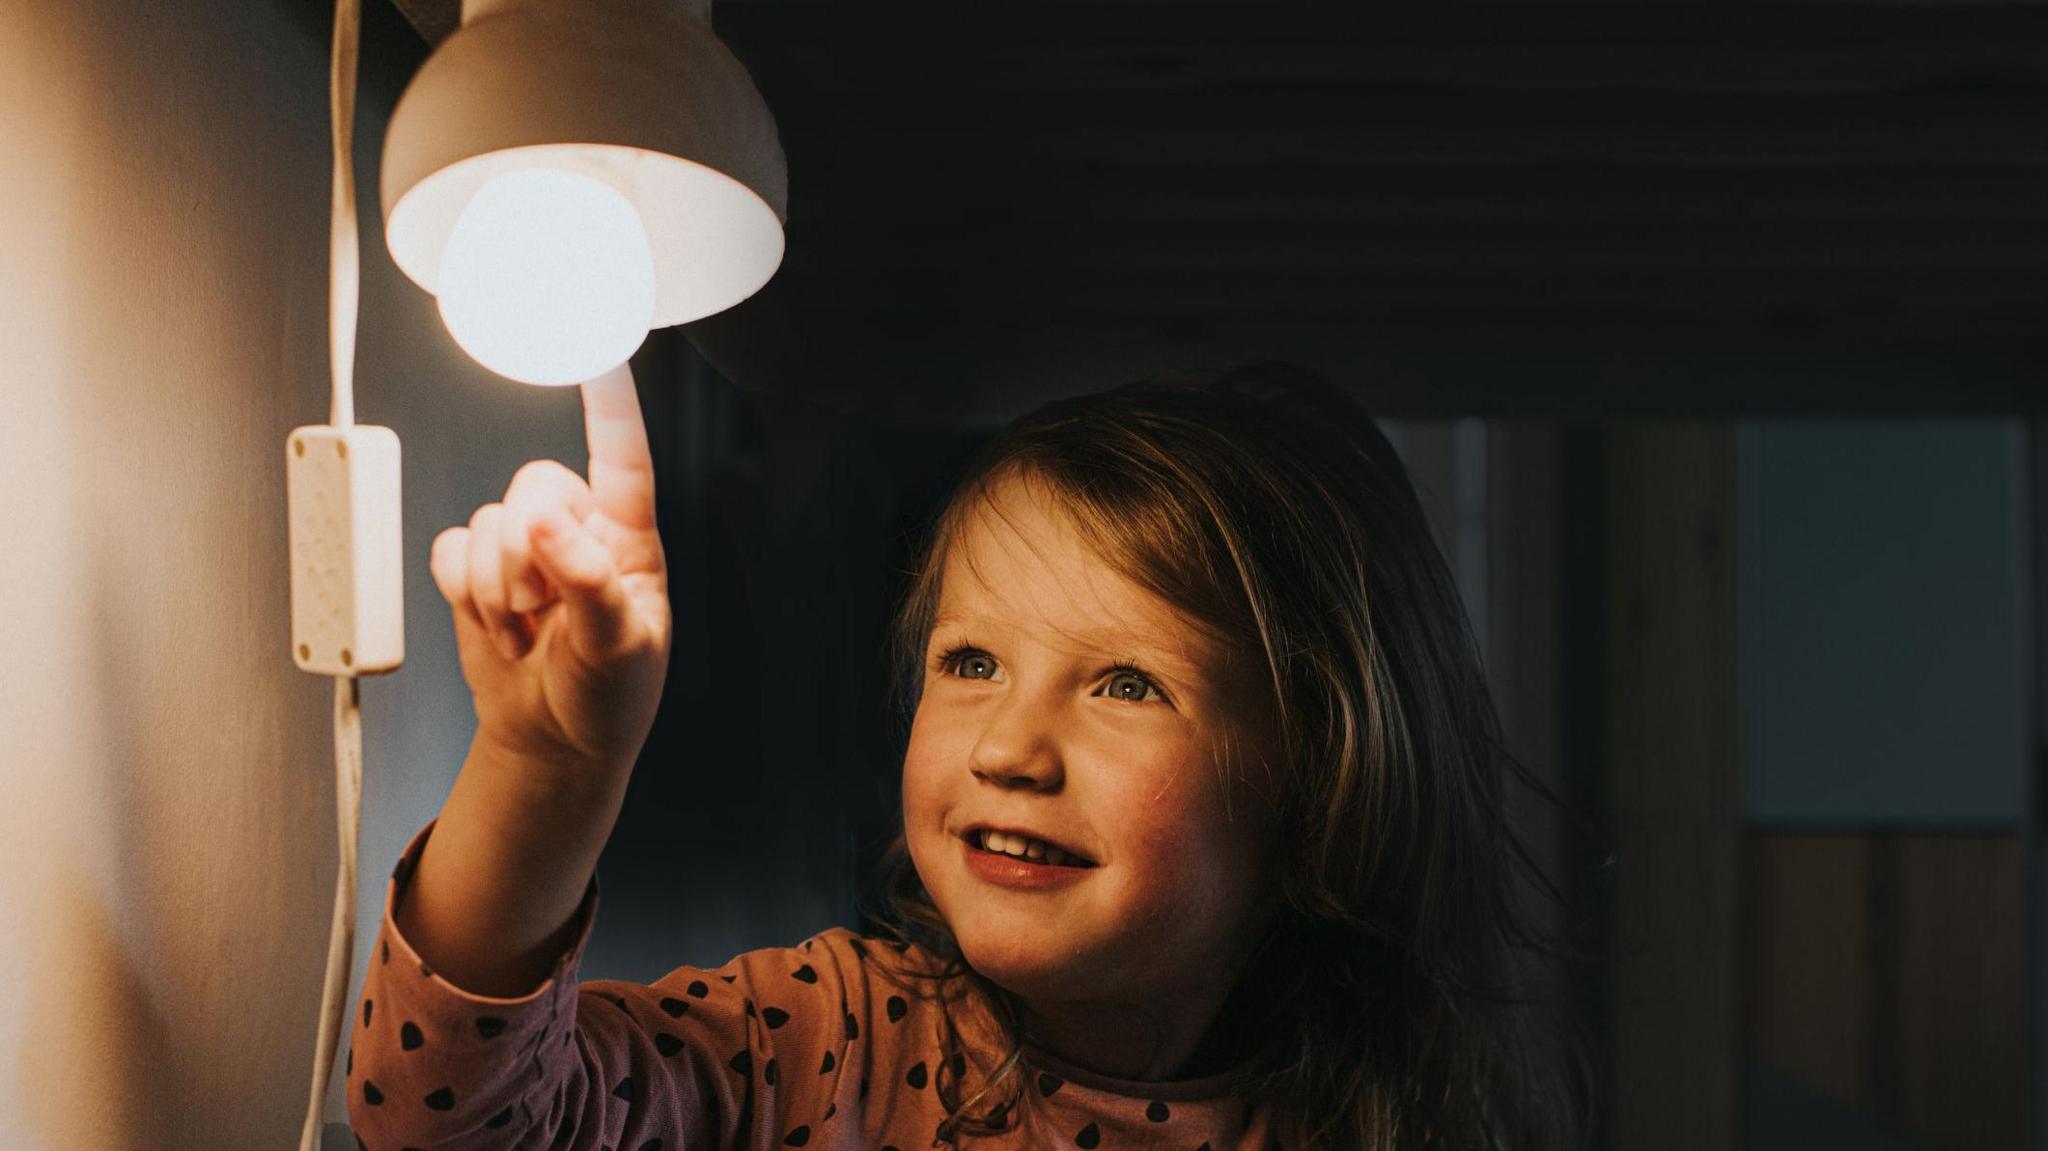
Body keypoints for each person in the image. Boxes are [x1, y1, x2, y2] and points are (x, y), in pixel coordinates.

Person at [344, 359, 1587, 1151]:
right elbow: (451, 1118)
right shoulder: (825, 1038)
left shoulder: (1375, 1121)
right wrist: (547, 769)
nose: (1009, 747)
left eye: (1123, 683)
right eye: (971, 661)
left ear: (1319, 773)